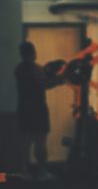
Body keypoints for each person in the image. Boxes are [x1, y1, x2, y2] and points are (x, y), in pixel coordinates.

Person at [15, 41, 63, 181]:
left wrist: (52, 73)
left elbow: (43, 77)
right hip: (36, 108)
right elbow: (44, 83)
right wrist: (61, 79)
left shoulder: (19, 69)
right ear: (33, 53)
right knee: (40, 140)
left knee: (26, 141)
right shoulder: (34, 69)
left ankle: (24, 171)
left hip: (23, 108)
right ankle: (41, 171)